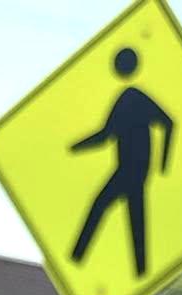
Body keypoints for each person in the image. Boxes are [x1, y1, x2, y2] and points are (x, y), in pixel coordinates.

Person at [69, 46, 174, 280]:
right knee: (135, 225)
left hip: (132, 172)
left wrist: (164, 165)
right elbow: (106, 136)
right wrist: (74, 147)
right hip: (129, 171)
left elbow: (169, 123)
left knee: (102, 208)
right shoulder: (126, 99)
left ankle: (77, 258)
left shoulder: (134, 97)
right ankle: (139, 273)